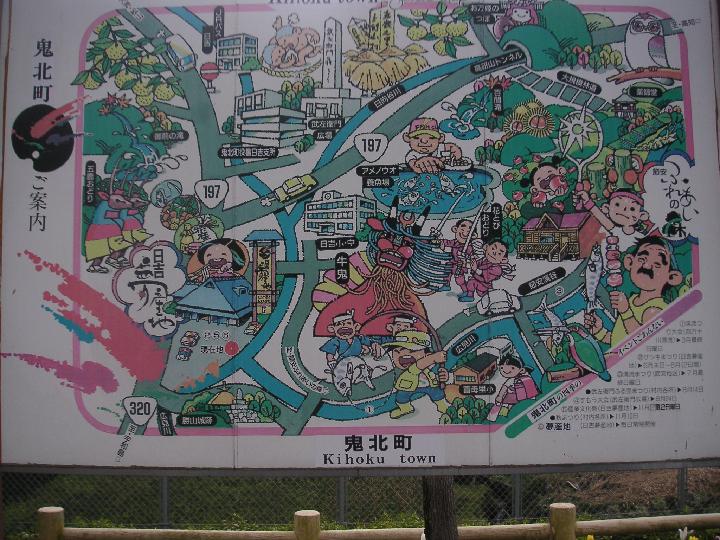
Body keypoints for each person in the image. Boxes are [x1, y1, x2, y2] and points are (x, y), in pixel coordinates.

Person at [584, 235, 683, 347]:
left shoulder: (655, 310)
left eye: (657, 265)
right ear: (630, 262)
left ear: (672, 277)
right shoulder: (632, 300)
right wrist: (600, 332)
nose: (646, 266)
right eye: (642, 259)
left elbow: (642, 341)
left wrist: (626, 312)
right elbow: (620, 339)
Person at [384, 330, 450, 419]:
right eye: (396, 352)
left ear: (427, 354)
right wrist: (433, 358)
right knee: (402, 396)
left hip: (428, 383)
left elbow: (429, 368)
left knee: (437, 392)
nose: (401, 356)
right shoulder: (414, 368)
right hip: (407, 385)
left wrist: (443, 376)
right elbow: (418, 366)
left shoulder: (428, 367)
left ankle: (442, 404)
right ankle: (405, 408)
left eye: (411, 351)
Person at [487, 353, 538, 421]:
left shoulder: (526, 379)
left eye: (512, 368)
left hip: (523, 399)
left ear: (521, 370)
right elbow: (505, 387)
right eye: (502, 368)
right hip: (511, 398)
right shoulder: (511, 380)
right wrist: (500, 396)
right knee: (509, 409)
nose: (505, 370)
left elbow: (530, 390)